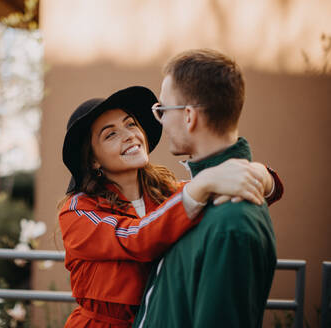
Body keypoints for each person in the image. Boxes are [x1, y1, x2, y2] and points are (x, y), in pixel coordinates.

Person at [60, 86, 282, 327]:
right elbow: (136, 237)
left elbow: (240, 192)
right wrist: (203, 184)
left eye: (131, 124)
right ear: (93, 160)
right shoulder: (77, 211)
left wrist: (262, 176)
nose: (129, 135)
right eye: (110, 134)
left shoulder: (167, 194)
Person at [133, 49, 280, 328]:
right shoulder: (197, 197)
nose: (160, 120)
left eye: (162, 109)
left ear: (189, 116)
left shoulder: (232, 224)